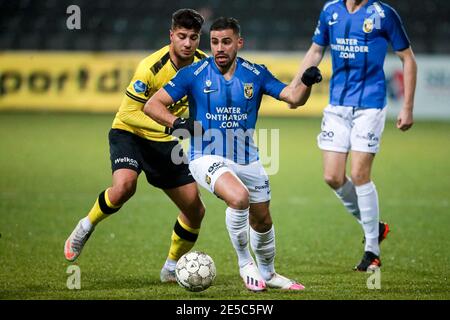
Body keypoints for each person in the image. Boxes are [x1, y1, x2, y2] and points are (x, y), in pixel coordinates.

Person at [143, 17, 322, 291]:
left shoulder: (255, 73)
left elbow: (293, 98)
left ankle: (270, 274)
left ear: (239, 42)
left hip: (247, 158)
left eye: (226, 42)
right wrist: (177, 124)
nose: (219, 48)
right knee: (239, 198)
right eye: (214, 42)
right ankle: (244, 263)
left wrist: (307, 83)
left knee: (262, 220)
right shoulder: (193, 73)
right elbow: (153, 105)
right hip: (205, 156)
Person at [64, 9, 209, 283]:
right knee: (124, 188)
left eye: (193, 37)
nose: (188, 43)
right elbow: (129, 112)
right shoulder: (150, 67)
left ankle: (170, 267)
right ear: (171, 36)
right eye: (182, 36)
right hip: (129, 133)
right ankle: (85, 226)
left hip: (164, 143)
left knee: (195, 210)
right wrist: (176, 126)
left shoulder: (203, 66)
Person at [298, 0, 417, 271]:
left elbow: (407, 58)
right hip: (337, 105)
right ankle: (375, 226)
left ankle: (372, 250)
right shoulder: (331, 11)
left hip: (370, 105)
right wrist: (298, 84)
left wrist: (407, 106)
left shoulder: (383, 14)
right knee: (332, 176)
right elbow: (316, 50)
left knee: (361, 174)